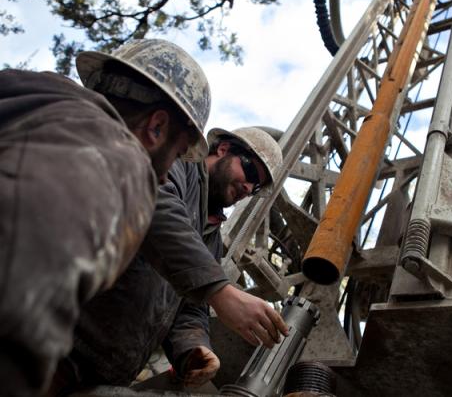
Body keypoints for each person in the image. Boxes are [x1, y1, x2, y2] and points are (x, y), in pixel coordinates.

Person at [0, 38, 212, 396]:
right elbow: (18, 287)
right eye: (175, 155)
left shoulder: (31, 105)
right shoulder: (118, 155)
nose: (162, 179)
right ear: (156, 127)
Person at [49, 127, 288, 393]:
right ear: (223, 150)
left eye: (255, 187)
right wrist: (220, 291)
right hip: (57, 339)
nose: (247, 187)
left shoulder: (212, 239)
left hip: (106, 374)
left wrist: (193, 347)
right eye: (251, 172)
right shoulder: (177, 164)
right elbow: (157, 207)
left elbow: (190, 306)